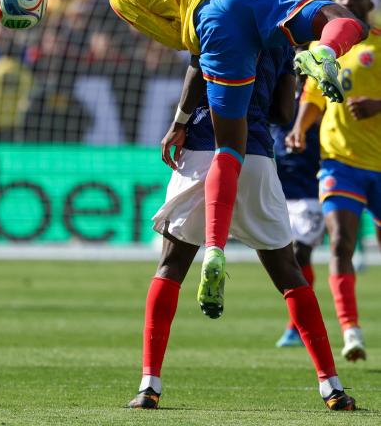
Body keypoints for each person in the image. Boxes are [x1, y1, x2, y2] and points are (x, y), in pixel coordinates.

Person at [67, 0, 367, 321]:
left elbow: (183, 41)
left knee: (229, 145)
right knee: (344, 20)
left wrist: (184, 107)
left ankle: (214, 250)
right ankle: (325, 52)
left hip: (212, 24)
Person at [127, 48, 356, 411]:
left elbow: (196, 70)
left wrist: (179, 123)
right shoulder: (281, 38)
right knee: (289, 274)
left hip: (203, 147)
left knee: (170, 266)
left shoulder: (212, 14)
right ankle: (332, 387)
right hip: (257, 155)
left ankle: (148, 386)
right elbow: (282, 114)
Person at [286, 0, 381, 362]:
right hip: (339, 162)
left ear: (369, 4)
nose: (347, 0)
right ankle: (351, 331)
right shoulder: (324, 47)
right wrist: (299, 128)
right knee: (340, 241)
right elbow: (313, 94)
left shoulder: (377, 44)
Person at [272, 62, 323, 348]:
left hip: (311, 193)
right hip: (278, 191)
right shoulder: (281, 98)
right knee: (286, 261)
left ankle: (296, 327)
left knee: (299, 254)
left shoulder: (319, 101)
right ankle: (298, 324)